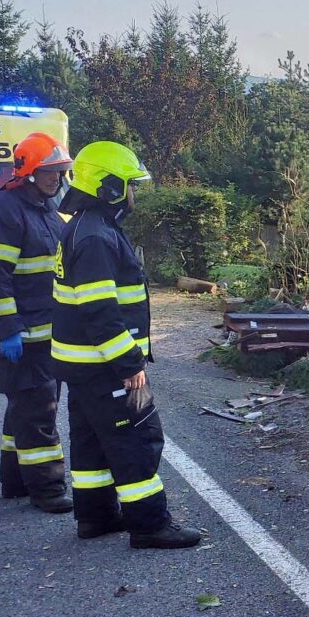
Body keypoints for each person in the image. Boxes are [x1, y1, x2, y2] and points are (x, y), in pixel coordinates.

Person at [52, 141, 201, 548]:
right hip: (105, 363)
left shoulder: (85, 226)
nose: (134, 195)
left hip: (81, 364)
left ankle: (95, 516)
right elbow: (100, 313)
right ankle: (150, 524)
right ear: (109, 187)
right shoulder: (97, 236)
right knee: (135, 436)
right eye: (129, 185)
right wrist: (129, 363)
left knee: (91, 439)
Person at [0, 132, 75, 513]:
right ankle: (46, 489)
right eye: (50, 172)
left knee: (25, 406)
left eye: (61, 171)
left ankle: (15, 481)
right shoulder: (4, 210)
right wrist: (8, 329)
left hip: (41, 329)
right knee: (39, 409)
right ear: (28, 171)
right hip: (17, 332)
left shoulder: (46, 208)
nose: (57, 178)